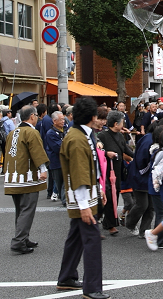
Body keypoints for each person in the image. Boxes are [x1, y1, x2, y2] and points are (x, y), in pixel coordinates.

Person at [57, 97, 109, 299]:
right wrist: (85, 205)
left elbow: (90, 168)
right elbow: (78, 174)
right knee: (92, 239)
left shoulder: (82, 134)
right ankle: (92, 288)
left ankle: (67, 277)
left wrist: (99, 189)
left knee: (76, 238)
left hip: (86, 193)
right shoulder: (78, 139)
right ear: (92, 117)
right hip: (82, 196)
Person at [3, 105, 49, 254]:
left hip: (13, 175)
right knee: (27, 210)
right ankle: (18, 241)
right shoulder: (31, 132)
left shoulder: (13, 132)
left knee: (20, 210)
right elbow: (37, 152)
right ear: (32, 116)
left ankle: (23, 237)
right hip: (27, 176)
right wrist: (43, 169)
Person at [98, 111, 134, 236]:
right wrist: (107, 153)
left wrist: (136, 156)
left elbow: (125, 149)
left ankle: (107, 221)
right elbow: (99, 151)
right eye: (122, 122)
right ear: (115, 123)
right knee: (109, 195)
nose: (123, 124)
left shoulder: (120, 135)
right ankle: (111, 224)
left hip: (117, 169)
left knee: (116, 194)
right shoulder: (103, 135)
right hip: (106, 170)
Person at [46, 111, 67, 204]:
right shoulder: (50, 133)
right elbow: (58, 147)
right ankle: (64, 200)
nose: (63, 121)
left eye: (63, 119)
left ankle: (66, 200)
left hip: (66, 161)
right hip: (56, 161)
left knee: (66, 182)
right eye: (61, 119)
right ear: (54, 121)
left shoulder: (66, 129)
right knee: (59, 182)